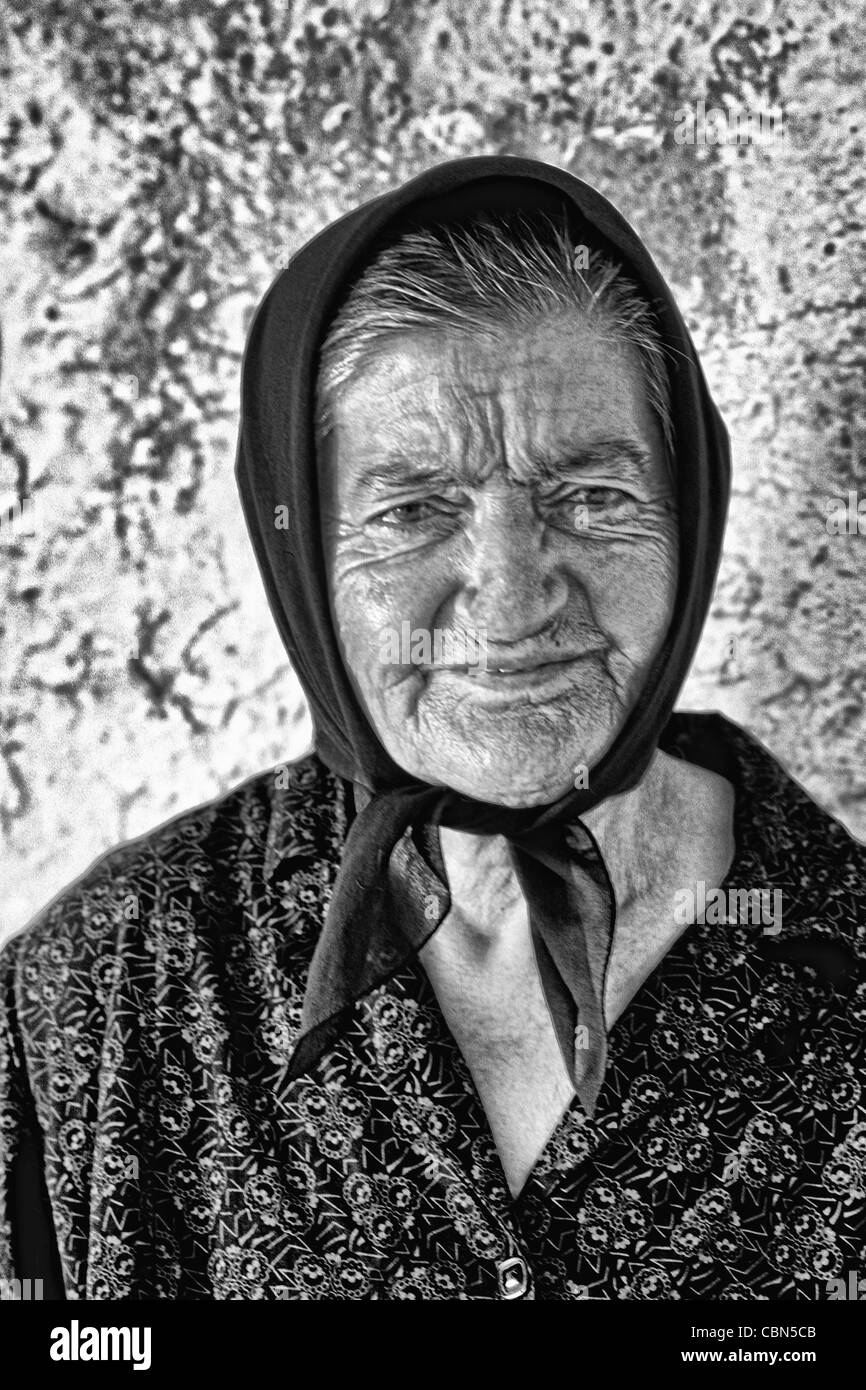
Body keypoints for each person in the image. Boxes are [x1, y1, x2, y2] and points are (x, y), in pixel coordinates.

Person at [1, 156, 863, 1303]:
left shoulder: (835, 967)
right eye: (412, 510)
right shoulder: (104, 994)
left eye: (591, 497)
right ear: (302, 550)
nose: (510, 597)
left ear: (689, 512)